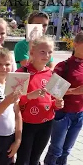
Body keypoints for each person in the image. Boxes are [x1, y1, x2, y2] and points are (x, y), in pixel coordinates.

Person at [15, 36, 64, 165]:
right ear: (32, 53)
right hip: (26, 124)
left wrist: (58, 104)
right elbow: (12, 101)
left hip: (46, 123)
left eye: (50, 52)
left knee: (35, 159)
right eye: (42, 51)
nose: (46, 55)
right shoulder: (21, 72)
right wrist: (29, 96)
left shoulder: (52, 74)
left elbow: (53, 101)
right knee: (23, 160)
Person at [44, 32, 83, 165]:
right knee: (56, 149)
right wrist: (74, 91)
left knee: (67, 150)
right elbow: (52, 90)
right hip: (63, 113)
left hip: (79, 114)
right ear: (76, 44)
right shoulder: (64, 66)